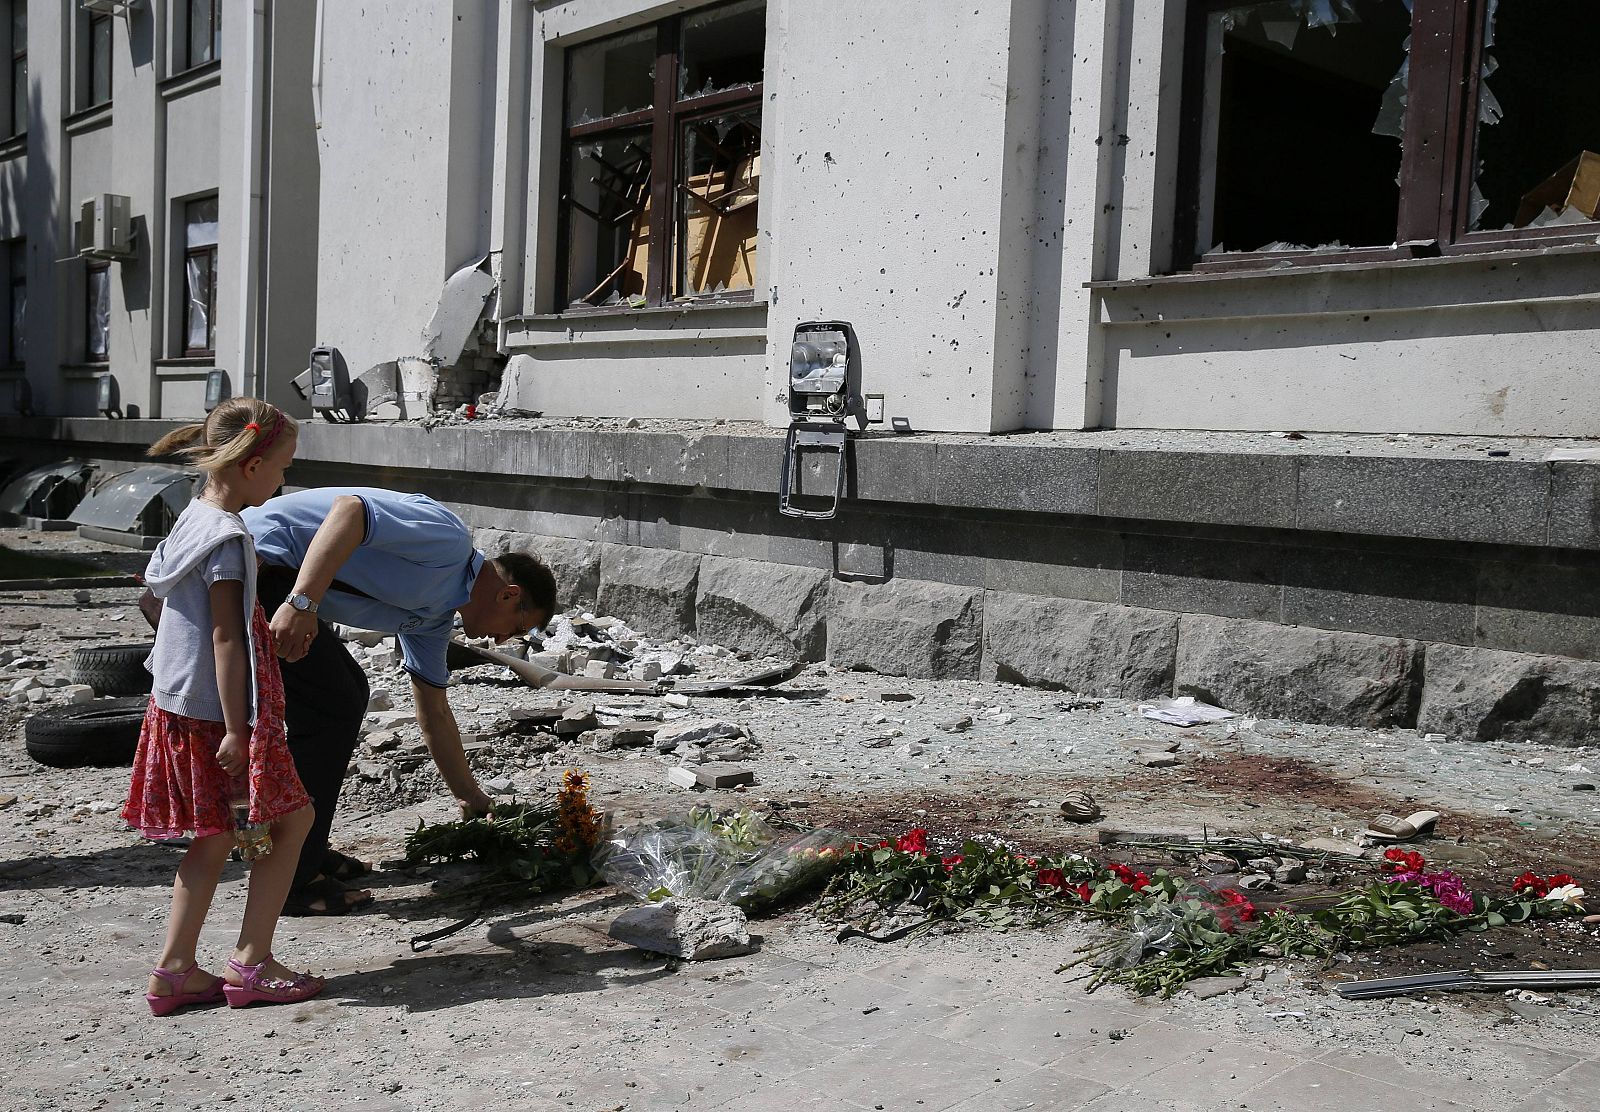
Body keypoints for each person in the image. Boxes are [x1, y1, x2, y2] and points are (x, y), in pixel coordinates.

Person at [242, 487, 558, 915]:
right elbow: (351, 510)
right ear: (509, 595)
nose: (505, 641)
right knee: (335, 705)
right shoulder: (448, 542)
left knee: (342, 698)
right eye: (519, 628)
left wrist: (471, 798)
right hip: (255, 564)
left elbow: (435, 712)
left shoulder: (433, 619)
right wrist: (303, 602)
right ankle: (295, 877)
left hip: (282, 585)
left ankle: (300, 849)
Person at [124, 398, 324, 1014]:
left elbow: (156, 602)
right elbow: (227, 636)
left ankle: (175, 970)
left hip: (177, 703)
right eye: (283, 466)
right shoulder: (231, 539)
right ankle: (252, 962)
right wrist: (239, 731)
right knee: (293, 822)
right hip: (220, 714)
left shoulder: (191, 517)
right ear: (252, 464)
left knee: (212, 836)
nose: (286, 479)